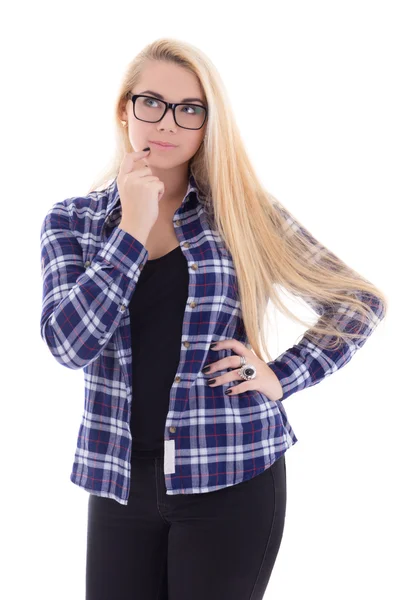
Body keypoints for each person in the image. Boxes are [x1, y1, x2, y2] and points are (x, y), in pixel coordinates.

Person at [39, 38, 387, 600]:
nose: (168, 122)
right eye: (151, 102)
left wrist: (281, 376)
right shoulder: (72, 223)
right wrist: (131, 228)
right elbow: (68, 344)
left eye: (190, 109)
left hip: (232, 475)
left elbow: (356, 301)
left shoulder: (243, 215)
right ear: (124, 109)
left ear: (207, 125)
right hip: (118, 483)